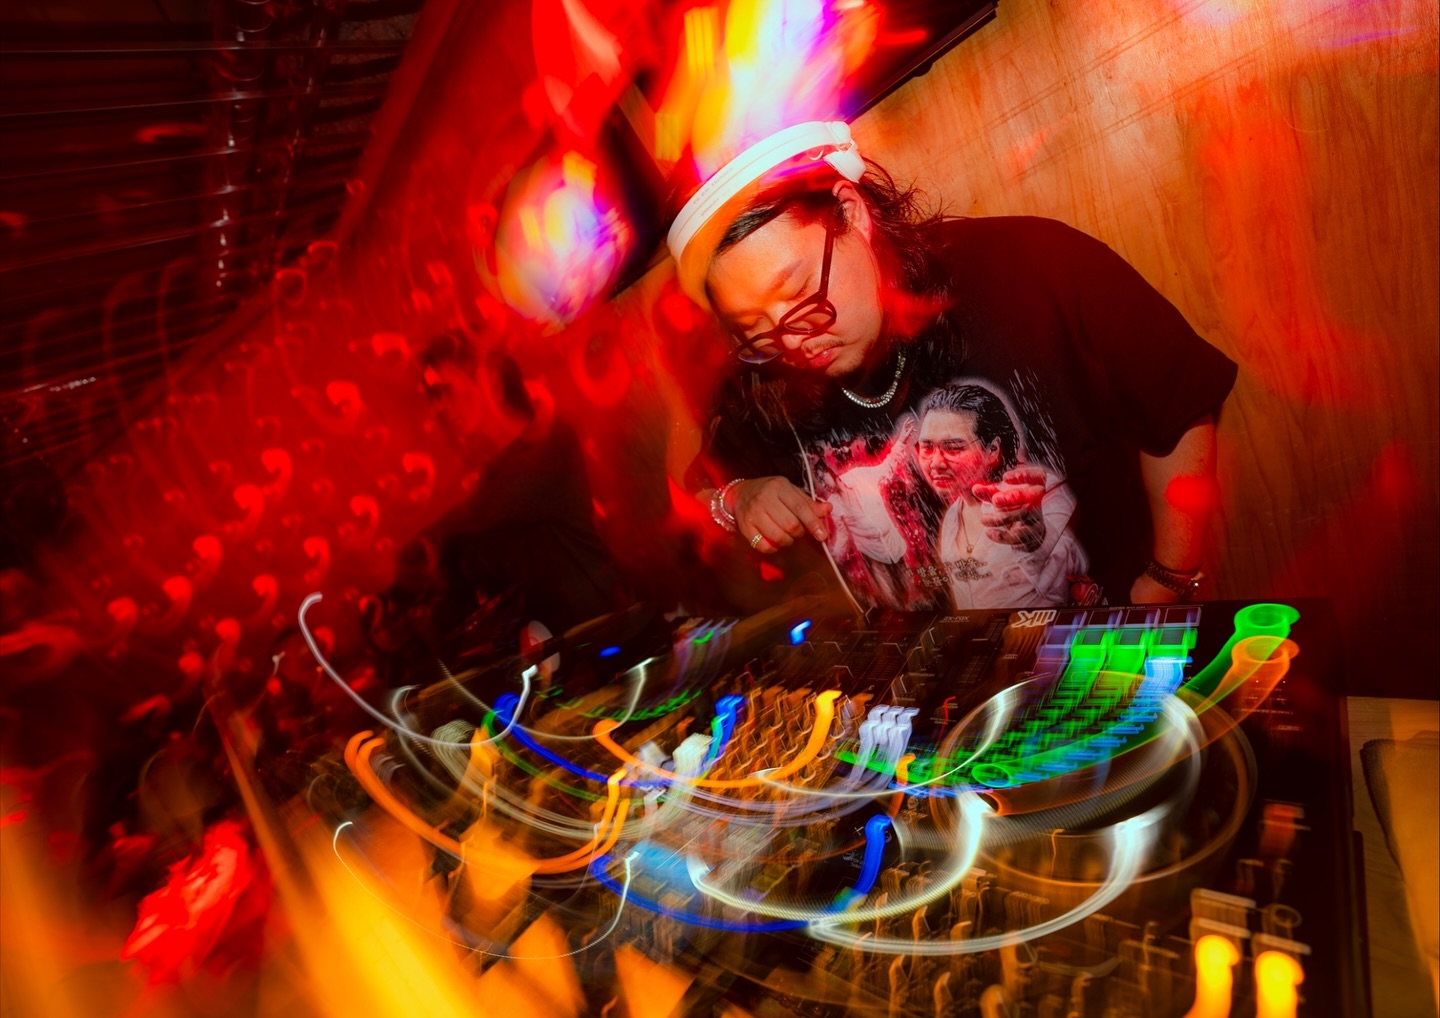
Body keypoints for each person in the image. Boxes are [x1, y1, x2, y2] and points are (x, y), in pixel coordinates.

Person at [673, 121, 1235, 609]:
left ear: (851, 212)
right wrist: (737, 499)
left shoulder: (1035, 271)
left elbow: (1176, 406)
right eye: (753, 326)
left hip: (1093, 647)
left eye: (799, 292)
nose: (792, 342)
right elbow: (695, 493)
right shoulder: (764, 373)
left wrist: (1168, 580)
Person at [373, 331, 626, 672]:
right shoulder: (498, 469)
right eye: (432, 397)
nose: (438, 409)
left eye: (444, 391)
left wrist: (415, 553)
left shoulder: (549, 445)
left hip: (607, 643)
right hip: (573, 653)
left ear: (488, 380)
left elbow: (478, 515)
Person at [914, 382, 1087, 609]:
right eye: (927, 448)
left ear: (993, 450)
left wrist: (1035, 542)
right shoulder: (951, 519)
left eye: (953, 448)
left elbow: (1066, 552)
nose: (936, 462)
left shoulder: (1040, 493)